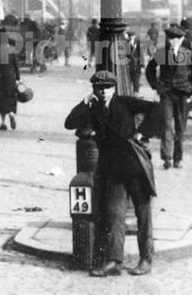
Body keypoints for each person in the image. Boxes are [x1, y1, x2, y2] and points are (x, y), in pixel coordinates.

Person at [64, 70, 158, 277]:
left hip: (135, 168)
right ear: (94, 90)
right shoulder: (94, 108)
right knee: (114, 214)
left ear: (114, 88)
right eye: (99, 88)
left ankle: (146, 258)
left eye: (107, 87)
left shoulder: (125, 103)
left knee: (143, 213)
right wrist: (84, 102)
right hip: (112, 170)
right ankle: (114, 260)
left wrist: (141, 133)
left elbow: (156, 109)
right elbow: (69, 123)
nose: (103, 92)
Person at [146, 25, 192, 169]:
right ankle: (167, 158)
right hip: (167, 94)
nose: (173, 41)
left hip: (182, 94)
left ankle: (178, 158)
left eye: (177, 38)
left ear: (182, 39)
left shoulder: (188, 54)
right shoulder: (162, 53)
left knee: (180, 126)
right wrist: (156, 86)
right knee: (166, 125)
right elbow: (150, 70)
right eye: (171, 38)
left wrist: (191, 89)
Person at [0, 28, 21, 130]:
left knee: (1, 100)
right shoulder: (11, 48)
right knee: (10, 98)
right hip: (11, 77)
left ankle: (3, 123)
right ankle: (11, 113)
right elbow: (16, 65)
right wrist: (18, 78)